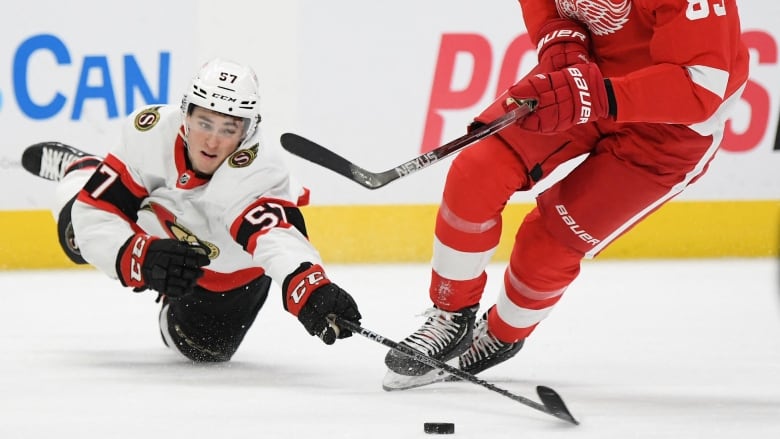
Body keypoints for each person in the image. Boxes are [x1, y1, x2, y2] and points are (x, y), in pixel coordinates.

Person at [384, 0, 749, 389]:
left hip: (669, 128)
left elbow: (700, 85)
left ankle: (502, 335)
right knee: (479, 170)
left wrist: (596, 97)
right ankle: (449, 316)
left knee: (549, 244)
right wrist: (554, 33)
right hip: (579, 79)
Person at [22, 58, 362, 362]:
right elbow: (97, 212)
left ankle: (170, 292)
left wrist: (311, 287)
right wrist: (141, 258)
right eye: (205, 123)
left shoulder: (260, 169)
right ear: (185, 114)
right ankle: (82, 169)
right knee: (76, 236)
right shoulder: (151, 132)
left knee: (201, 349)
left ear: (248, 130)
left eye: (229, 129)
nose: (212, 142)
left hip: (226, 268)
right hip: (158, 220)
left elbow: (275, 235)